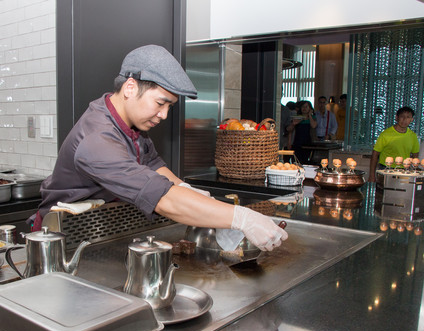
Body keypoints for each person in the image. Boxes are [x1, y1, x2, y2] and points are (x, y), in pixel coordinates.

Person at [29, 45, 287, 252]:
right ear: (130, 87)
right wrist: (242, 218)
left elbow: (155, 167)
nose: (163, 115)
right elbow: (160, 197)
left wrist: (189, 192)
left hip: (99, 231)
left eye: (169, 107)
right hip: (61, 241)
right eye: (160, 103)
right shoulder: (98, 140)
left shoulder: (128, 123)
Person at [368, 106, 420, 182]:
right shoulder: (386, 134)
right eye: (402, 117)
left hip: (404, 171)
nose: (404, 120)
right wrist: (372, 175)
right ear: (397, 118)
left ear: (411, 120)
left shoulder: (413, 136)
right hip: (386, 169)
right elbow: (375, 154)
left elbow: (415, 156)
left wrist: (416, 171)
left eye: (408, 117)